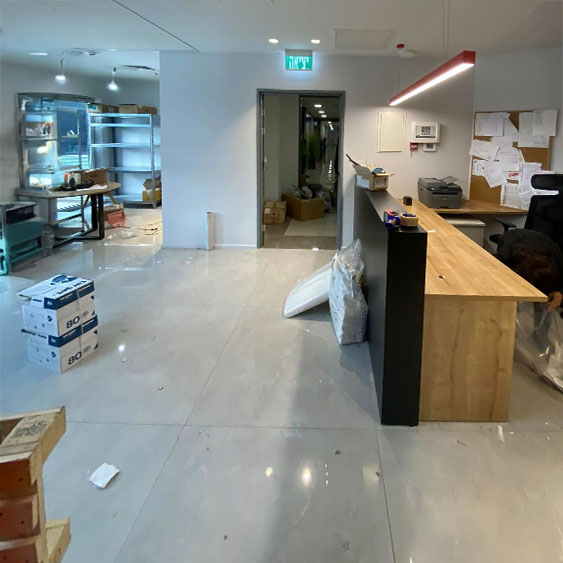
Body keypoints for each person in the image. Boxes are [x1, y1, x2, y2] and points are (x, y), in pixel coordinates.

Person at [495, 228, 563, 311]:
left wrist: (560, 293)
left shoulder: (558, 267)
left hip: (544, 243)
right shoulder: (506, 256)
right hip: (514, 236)